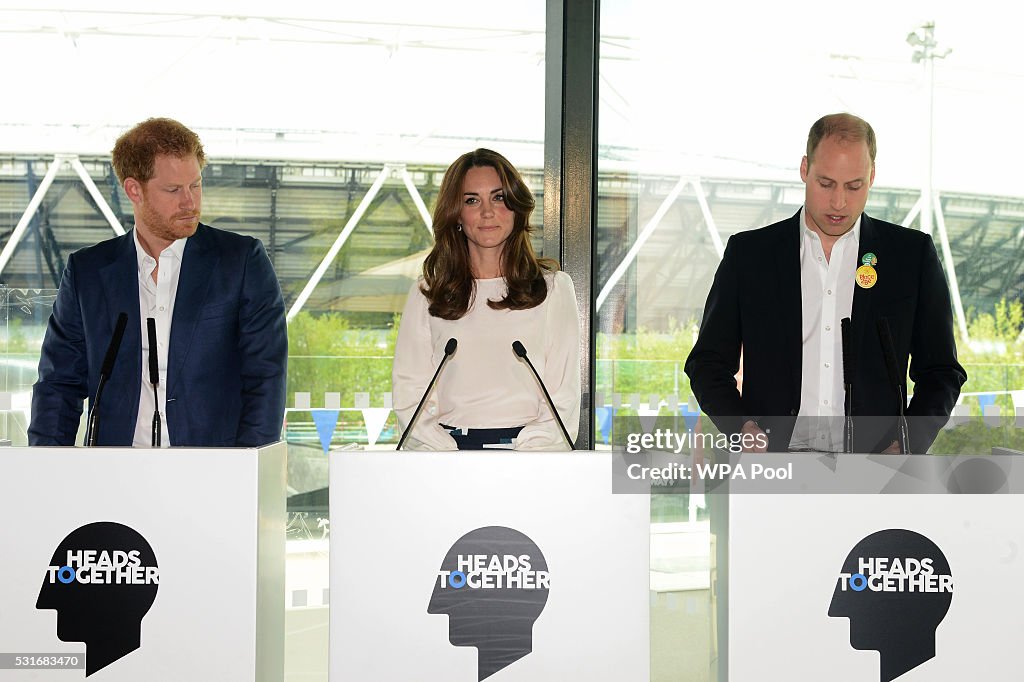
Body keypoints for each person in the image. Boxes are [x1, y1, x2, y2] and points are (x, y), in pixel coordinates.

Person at [684, 113, 966, 454]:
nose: (839, 202)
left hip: (876, 468)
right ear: (805, 169)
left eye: (854, 186)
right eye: (826, 183)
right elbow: (707, 362)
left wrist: (907, 444)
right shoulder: (750, 255)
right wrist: (741, 426)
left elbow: (941, 371)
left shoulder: (912, 256)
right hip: (773, 467)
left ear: (872, 176)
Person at [29, 117, 287, 447]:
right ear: (134, 189)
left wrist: (246, 468)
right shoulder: (87, 272)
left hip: (215, 473)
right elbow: (58, 385)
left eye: (196, 185)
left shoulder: (241, 262)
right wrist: (44, 471)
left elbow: (266, 379)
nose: (190, 202)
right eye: (173, 190)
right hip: (116, 476)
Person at [392, 148, 580, 450]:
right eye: (471, 200)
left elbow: (564, 394)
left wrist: (526, 454)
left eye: (499, 197)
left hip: (532, 458)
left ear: (517, 207)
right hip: (445, 457)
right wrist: (445, 454)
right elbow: (409, 390)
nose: (487, 212)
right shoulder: (427, 293)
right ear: (456, 215)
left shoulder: (554, 290)